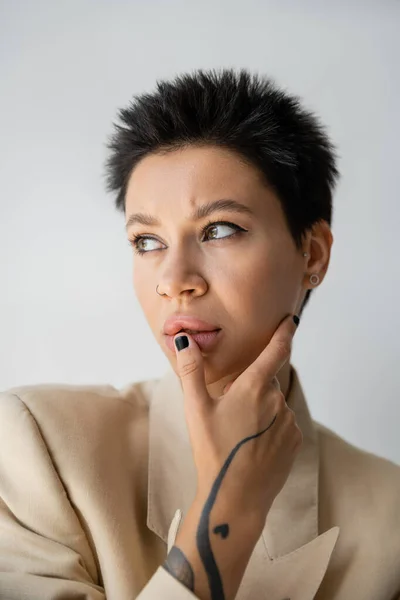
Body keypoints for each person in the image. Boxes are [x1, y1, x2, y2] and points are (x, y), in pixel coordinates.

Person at [0, 68, 399, 600]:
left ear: (313, 254)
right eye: (146, 241)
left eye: (219, 230)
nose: (174, 281)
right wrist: (230, 504)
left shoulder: (390, 515)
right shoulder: (37, 447)